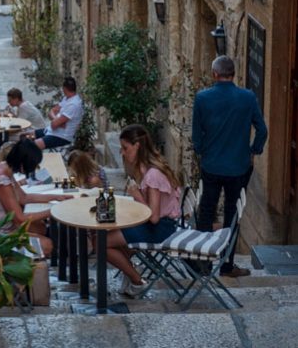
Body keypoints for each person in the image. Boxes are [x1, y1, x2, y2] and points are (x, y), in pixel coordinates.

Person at [192, 54, 268, 278]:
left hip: (212, 165)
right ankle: (227, 265)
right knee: (232, 215)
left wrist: (202, 151)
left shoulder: (203, 98)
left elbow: (196, 137)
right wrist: (254, 150)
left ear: (214, 74)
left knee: (206, 212)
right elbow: (262, 130)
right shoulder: (247, 97)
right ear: (233, 74)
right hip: (238, 167)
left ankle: (203, 263)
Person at [106, 124, 181, 296]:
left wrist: (136, 195)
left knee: (101, 242)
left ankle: (137, 280)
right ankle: (130, 273)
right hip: (158, 224)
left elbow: (153, 217)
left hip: (160, 228)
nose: (122, 153)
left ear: (137, 146)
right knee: (107, 236)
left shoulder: (152, 175)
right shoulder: (145, 169)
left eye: (125, 148)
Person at [0, 139, 62, 256]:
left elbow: (23, 198)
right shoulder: (1, 179)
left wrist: (57, 198)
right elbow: (20, 219)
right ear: (23, 164)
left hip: (3, 224)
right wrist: (53, 211)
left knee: (40, 227)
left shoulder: (3, 168)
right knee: (47, 245)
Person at [34, 76, 83, 150]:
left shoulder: (74, 104)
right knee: (25, 136)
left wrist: (55, 121)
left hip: (61, 137)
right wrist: (57, 120)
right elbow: (52, 111)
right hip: (51, 131)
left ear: (64, 88)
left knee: (32, 146)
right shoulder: (66, 98)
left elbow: (54, 124)